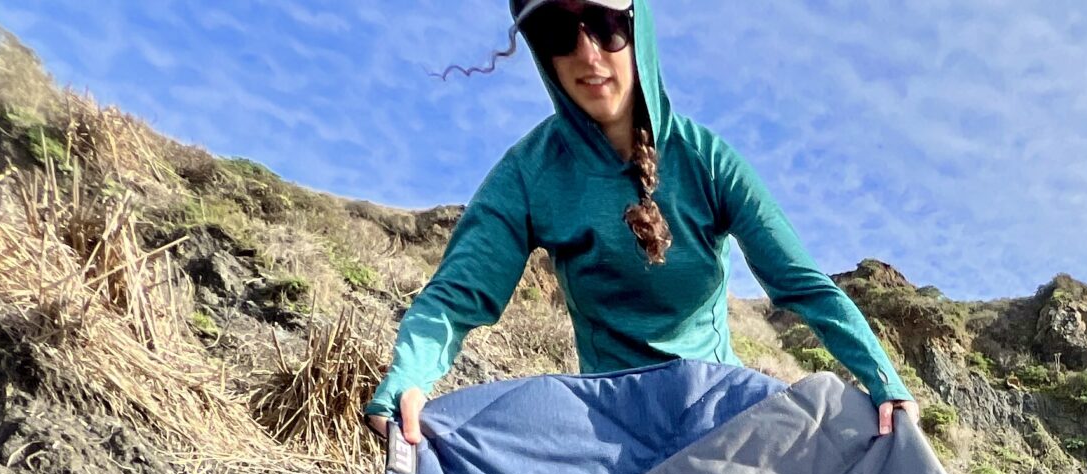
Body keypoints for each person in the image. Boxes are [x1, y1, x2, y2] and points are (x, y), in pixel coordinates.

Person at [366, 0, 915, 446]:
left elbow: (803, 286)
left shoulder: (708, 160)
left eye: (606, 26)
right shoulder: (530, 175)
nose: (587, 53)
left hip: (718, 416)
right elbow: (456, 296)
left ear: (638, 29)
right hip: (609, 428)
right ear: (540, 50)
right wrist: (410, 375)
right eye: (559, 30)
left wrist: (883, 383)